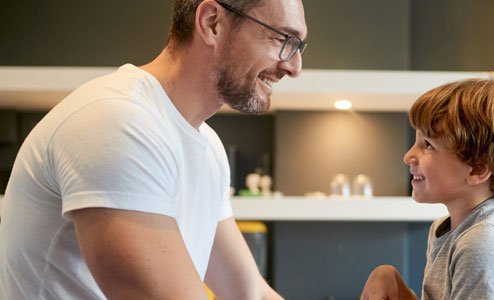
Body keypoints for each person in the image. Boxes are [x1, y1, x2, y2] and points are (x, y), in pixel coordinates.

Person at [0, 0, 306, 299]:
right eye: (283, 39)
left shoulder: (208, 148)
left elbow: (249, 293)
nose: (294, 67)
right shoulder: (117, 122)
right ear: (212, 22)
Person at [361, 78, 494, 299]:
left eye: (427, 145)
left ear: (477, 168)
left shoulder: (484, 245)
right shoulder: (450, 230)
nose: (408, 156)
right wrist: (390, 281)